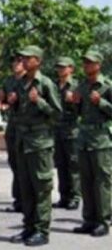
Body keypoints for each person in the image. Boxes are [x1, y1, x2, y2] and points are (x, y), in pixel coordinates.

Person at [8, 45, 61, 247]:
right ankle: (29, 227)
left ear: (37, 61)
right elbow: (18, 113)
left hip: (39, 142)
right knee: (26, 187)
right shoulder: (19, 83)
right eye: (22, 58)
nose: (23, 61)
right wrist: (13, 103)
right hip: (22, 141)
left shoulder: (45, 83)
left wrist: (39, 101)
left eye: (28, 58)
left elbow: (57, 114)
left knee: (41, 187)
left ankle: (41, 231)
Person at [71, 49, 112, 237]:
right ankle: (89, 220)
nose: (86, 65)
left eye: (90, 62)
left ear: (98, 65)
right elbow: (79, 113)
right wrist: (75, 103)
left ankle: (103, 221)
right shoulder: (81, 87)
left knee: (102, 182)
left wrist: (101, 102)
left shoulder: (107, 86)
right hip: (84, 139)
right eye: (85, 62)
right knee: (86, 181)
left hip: (101, 139)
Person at [52, 56, 80, 210]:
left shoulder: (76, 86)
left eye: (63, 67)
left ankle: (75, 197)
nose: (60, 70)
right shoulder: (54, 85)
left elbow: (82, 109)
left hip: (71, 129)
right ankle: (64, 197)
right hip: (57, 129)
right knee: (60, 164)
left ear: (71, 69)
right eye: (58, 67)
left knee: (73, 164)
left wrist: (74, 102)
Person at [0, 54, 25, 213]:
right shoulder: (8, 81)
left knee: (25, 166)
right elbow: (3, 102)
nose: (16, 64)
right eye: (14, 61)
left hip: (26, 127)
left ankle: (28, 200)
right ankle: (19, 200)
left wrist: (18, 99)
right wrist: (2, 102)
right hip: (13, 126)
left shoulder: (30, 82)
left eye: (19, 61)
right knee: (15, 163)